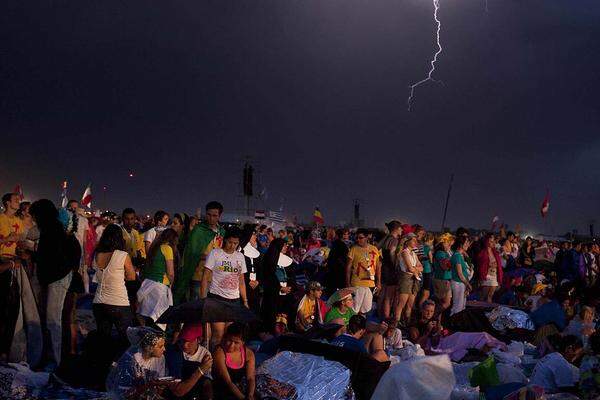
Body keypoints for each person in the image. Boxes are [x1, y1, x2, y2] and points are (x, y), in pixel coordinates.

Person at [29, 199, 79, 369]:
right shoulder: (51, 229)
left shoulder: (53, 230)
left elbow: (50, 257)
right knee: (48, 319)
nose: (34, 220)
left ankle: (54, 361)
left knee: (52, 320)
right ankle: (49, 356)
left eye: (35, 216)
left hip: (58, 277)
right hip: (54, 276)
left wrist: (30, 255)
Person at [201, 227, 248, 349]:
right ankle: (211, 358)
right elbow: (205, 277)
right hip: (217, 299)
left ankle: (221, 359)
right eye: (230, 242)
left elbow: (241, 280)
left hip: (234, 300)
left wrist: (245, 300)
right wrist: (203, 298)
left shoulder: (240, 257)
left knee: (229, 334)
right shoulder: (215, 253)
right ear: (225, 240)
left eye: (236, 243)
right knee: (218, 334)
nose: (232, 246)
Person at [93, 224, 137, 347]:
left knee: (103, 341)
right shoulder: (122, 255)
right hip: (118, 302)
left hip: (99, 302)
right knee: (126, 340)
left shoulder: (98, 254)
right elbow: (131, 277)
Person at [175, 201, 225, 304]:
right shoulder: (198, 230)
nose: (211, 218)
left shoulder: (222, 232)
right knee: (197, 308)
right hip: (199, 275)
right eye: (209, 215)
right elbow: (191, 253)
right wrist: (210, 257)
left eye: (214, 215)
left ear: (219, 216)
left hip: (216, 277)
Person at [137, 228, 179, 329]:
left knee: (146, 318)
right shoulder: (167, 248)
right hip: (160, 287)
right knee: (159, 320)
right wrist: (171, 285)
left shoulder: (154, 247)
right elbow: (170, 272)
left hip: (147, 285)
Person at [165, 323, 213, 400]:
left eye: (189, 341)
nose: (185, 345)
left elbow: (207, 381)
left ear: (199, 340)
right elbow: (178, 389)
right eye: (183, 341)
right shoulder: (175, 352)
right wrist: (201, 369)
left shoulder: (205, 354)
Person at [212, 323, 256, 400]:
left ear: (243, 343)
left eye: (236, 343)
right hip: (222, 392)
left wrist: (250, 395)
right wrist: (243, 398)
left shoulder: (249, 354)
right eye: (229, 340)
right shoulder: (219, 352)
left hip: (239, 389)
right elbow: (228, 382)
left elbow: (250, 378)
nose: (231, 345)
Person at [260, 238, 293, 333]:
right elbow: (269, 275)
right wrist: (280, 288)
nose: (286, 247)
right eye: (284, 245)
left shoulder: (287, 260)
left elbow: (291, 276)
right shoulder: (269, 258)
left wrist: (289, 287)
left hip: (286, 292)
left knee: (284, 314)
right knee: (272, 315)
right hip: (273, 292)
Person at [346, 228, 381, 315]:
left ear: (367, 238)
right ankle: (353, 326)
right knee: (354, 309)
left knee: (366, 309)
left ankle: (361, 326)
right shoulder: (354, 249)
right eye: (357, 238)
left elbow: (378, 267)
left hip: (370, 284)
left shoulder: (374, 249)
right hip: (357, 283)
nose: (358, 240)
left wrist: (378, 282)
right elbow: (348, 268)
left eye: (360, 238)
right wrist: (347, 282)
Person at [395, 233, 423, 325]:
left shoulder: (413, 253)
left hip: (413, 278)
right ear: (407, 241)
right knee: (401, 304)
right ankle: (396, 324)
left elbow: (421, 267)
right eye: (413, 240)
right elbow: (409, 268)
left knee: (410, 304)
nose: (416, 242)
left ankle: (406, 323)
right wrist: (415, 269)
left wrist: (415, 269)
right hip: (406, 279)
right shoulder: (404, 252)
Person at [378, 221, 402, 320]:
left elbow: (376, 249)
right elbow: (392, 253)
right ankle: (387, 318)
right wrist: (395, 265)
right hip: (391, 270)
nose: (402, 230)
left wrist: (381, 259)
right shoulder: (394, 240)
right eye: (401, 228)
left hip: (384, 267)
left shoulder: (386, 238)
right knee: (389, 296)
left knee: (382, 294)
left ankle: (380, 314)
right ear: (396, 229)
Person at [476, 234, 503, 303]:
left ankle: (487, 311)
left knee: (490, 295)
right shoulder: (482, 252)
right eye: (491, 241)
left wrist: (495, 265)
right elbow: (480, 263)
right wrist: (489, 264)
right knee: (483, 296)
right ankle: (479, 310)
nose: (493, 243)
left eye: (493, 241)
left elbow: (499, 264)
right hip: (486, 275)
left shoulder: (495, 252)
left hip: (494, 275)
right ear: (487, 242)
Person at [324, 229, 350, 297]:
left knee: (332, 291)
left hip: (334, 270)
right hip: (338, 271)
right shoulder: (342, 245)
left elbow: (333, 257)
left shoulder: (336, 244)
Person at [450, 236, 472, 316]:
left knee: (461, 307)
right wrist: (468, 284)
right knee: (457, 307)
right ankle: (453, 323)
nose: (468, 245)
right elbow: (460, 274)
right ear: (461, 244)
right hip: (458, 283)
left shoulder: (460, 255)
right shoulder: (457, 256)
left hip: (461, 283)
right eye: (466, 243)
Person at [432, 233, 454, 312]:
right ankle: (433, 317)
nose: (449, 245)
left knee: (443, 303)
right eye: (447, 243)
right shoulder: (440, 253)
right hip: (441, 279)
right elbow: (444, 266)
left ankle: (437, 322)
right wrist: (453, 264)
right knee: (443, 303)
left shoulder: (443, 253)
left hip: (444, 279)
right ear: (443, 243)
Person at [0, 192, 24, 259]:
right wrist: (7, 239)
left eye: (18, 200)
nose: (19, 202)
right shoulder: (1, 219)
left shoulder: (19, 221)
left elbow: (20, 242)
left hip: (14, 258)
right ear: (8, 203)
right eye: (16, 200)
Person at [418, 232, 435, 308]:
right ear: (430, 240)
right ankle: (421, 308)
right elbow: (431, 260)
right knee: (426, 292)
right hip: (427, 270)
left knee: (421, 291)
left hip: (421, 269)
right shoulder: (428, 248)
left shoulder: (420, 246)